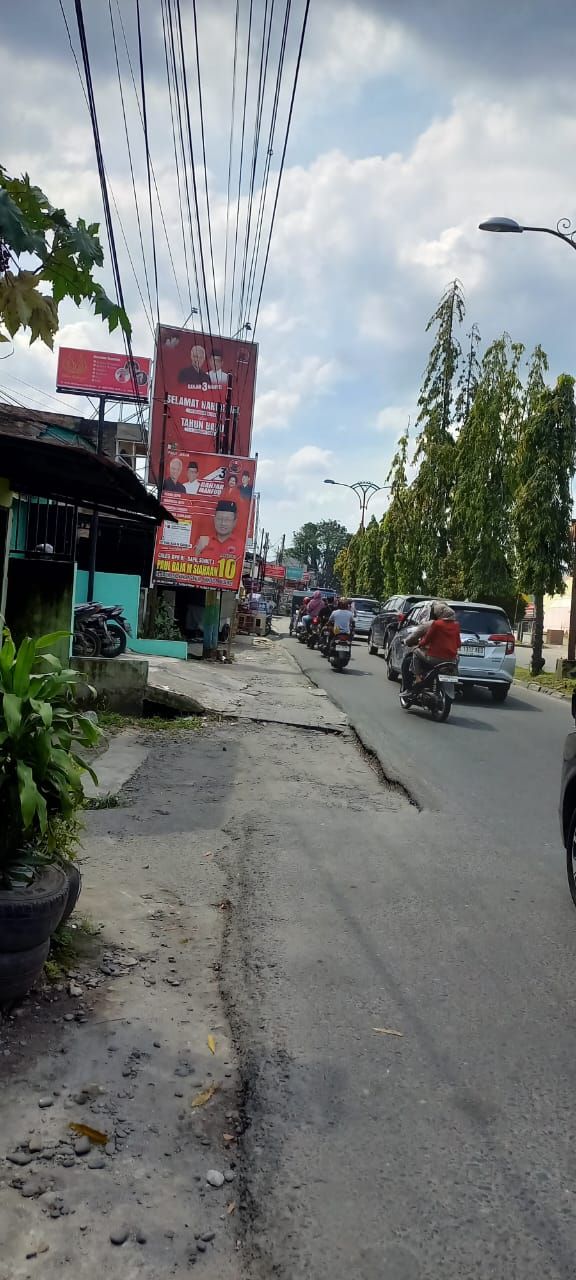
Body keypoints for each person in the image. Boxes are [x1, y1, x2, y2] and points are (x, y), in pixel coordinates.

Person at [401, 601, 461, 692]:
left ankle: (417, 679)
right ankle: (454, 678)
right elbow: (458, 644)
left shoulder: (433, 624)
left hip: (433, 658)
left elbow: (425, 640)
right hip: (450, 659)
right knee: (457, 658)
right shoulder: (455, 625)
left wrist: (419, 644)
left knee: (415, 652)